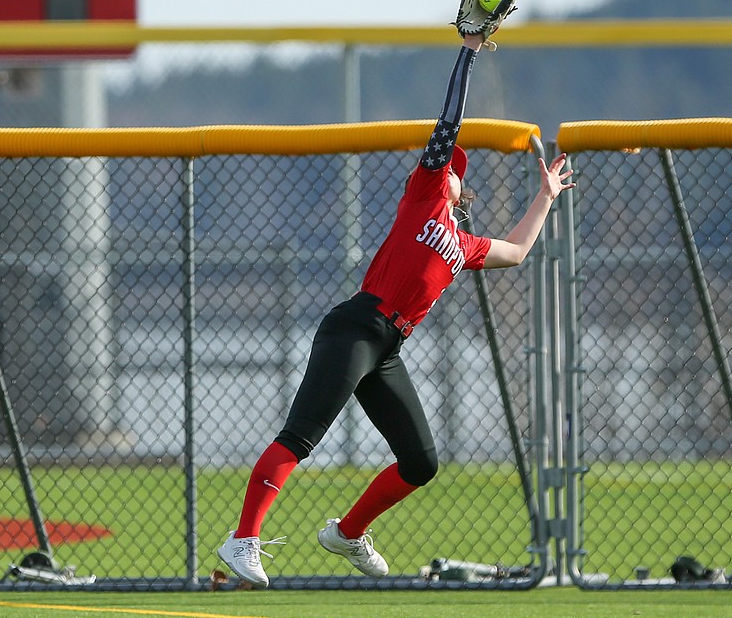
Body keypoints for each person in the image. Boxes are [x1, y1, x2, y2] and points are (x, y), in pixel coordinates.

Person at [217, 30, 574, 587]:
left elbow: (517, 250)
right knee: (301, 437)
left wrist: (545, 195)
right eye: (448, 163)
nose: (452, 167)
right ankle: (243, 541)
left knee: (421, 462)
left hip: (386, 348)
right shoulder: (425, 192)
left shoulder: (463, 242)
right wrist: (470, 50)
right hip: (356, 328)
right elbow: (448, 125)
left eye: (457, 168)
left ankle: (347, 532)